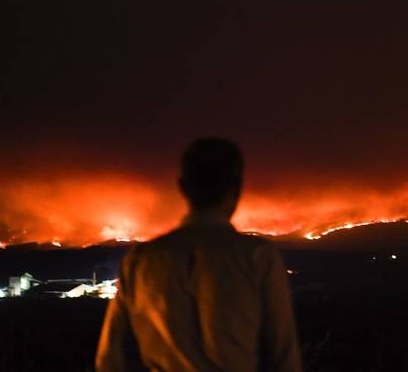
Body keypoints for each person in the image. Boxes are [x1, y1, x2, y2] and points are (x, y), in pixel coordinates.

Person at [95, 138, 302, 372]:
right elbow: (285, 359)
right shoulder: (258, 256)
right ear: (237, 187)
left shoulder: (141, 259)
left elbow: (109, 358)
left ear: (183, 186)